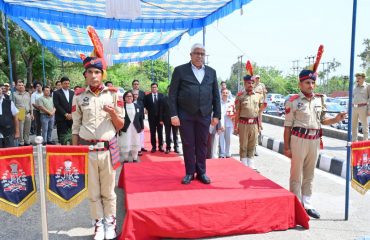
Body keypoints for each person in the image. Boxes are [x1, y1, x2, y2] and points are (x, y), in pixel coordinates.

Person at [284, 54, 347, 219]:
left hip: (314, 140)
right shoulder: (294, 101)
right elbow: (287, 126)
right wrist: (287, 147)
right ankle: (296, 205)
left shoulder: (320, 100)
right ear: (300, 84)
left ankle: (308, 203)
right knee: (296, 174)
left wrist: (336, 119)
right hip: (298, 140)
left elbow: (323, 121)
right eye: (307, 82)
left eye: (313, 82)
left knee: (310, 174)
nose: (311, 85)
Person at [72, 52, 124, 240]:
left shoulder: (113, 94)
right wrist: (75, 153)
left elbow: (120, 125)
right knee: (92, 191)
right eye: (90, 72)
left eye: (97, 72)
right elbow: (76, 127)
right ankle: (98, 223)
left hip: (107, 150)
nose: (94, 76)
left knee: (108, 190)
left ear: (102, 74)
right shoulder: (78, 97)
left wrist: (112, 114)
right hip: (87, 150)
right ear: (84, 74)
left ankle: (110, 222)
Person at [169, 43, 221, 184]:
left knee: (202, 144)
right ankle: (189, 173)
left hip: (204, 114)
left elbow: (216, 95)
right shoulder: (180, 71)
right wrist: (173, 114)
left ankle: (202, 172)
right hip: (185, 114)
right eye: (197, 53)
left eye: (202, 53)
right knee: (188, 144)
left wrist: (217, 115)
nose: (199, 56)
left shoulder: (211, 72)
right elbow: (172, 94)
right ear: (191, 55)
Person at [234, 65, 265, 171]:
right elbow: (237, 112)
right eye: (248, 83)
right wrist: (235, 126)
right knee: (243, 145)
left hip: (254, 124)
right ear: (245, 83)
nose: (251, 85)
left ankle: (250, 164)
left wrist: (260, 124)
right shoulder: (240, 96)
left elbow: (259, 111)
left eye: (252, 83)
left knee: (252, 144)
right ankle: (243, 164)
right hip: (243, 123)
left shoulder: (258, 96)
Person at [119, 90, 144, 163]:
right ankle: (126, 159)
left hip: (135, 128)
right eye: (127, 96)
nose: (129, 97)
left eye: (131, 96)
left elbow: (140, 118)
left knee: (135, 142)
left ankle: (135, 158)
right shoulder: (121, 107)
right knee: (125, 143)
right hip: (125, 128)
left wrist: (141, 127)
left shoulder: (137, 106)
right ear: (124, 98)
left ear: (133, 97)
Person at [53, 77, 74, 145]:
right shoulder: (56, 93)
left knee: (72, 136)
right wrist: (66, 114)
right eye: (65, 83)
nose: (67, 85)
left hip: (71, 118)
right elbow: (57, 105)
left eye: (68, 83)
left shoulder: (72, 92)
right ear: (61, 84)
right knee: (62, 138)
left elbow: (74, 104)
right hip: (61, 118)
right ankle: (63, 152)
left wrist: (71, 114)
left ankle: (72, 151)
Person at [144, 82, 164, 153]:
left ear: (157, 88)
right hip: (151, 118)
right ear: (151, 88)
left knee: (160, 132)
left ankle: (161, 146)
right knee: (152, 132)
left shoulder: (162, 96)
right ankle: (153, 147)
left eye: (155, 87)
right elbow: (145, 105)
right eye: (153, 87)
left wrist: (163, 118)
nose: (154, 88)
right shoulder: (147, 97)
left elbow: (163, 107)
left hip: (160, 118)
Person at [160, 86, 179, 154]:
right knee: (167, 134)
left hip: (175, 119)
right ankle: (168, 148)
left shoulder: (176, 98)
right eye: (169, 89)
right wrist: (161, 119)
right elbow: (161, 110)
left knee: (175, 134)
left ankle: (176, 147)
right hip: (166, 119)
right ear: (167, 90)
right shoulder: (164, 99)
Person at [352, 72, 370, 141]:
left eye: (359, 78)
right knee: (354, 126)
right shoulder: (354, 86)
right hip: (354, 108)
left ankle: (365, 143)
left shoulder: (367, 86)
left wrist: (369, 110)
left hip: (363, 108)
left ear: (363, 78)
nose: (357, 80)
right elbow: (353, 97)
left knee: (365, 127)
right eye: (357, 78)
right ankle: (354, 142)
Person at [13, 80, 32, 146]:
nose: (21, 86)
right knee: (21, 128)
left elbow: (30, 104)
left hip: (27, 112)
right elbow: (13, 106)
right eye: (19, 85)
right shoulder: (14, 94)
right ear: (16, 86)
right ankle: (21, 142)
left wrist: (31, 113)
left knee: (27, 128)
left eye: (22, 85)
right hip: (20, 112)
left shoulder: (27, 93)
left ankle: (27, 141)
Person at [253, 74, 268, 156]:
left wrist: (265, 101)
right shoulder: (252, 85)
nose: (257, 79)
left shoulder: (262, 85)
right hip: (253, 107)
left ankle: (255, 149)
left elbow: (265, 94)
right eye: (256, 78)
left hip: (260, 106)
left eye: (258, 78)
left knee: (258, 128)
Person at [219, 88, 235, 158]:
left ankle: (228, 153)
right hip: (221, 122)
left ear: (228, 94)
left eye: (226, 93)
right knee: (221, 138)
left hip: (229, 122)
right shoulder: (219, 103)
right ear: (221, 94)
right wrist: (221, 124)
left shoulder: (231, 102)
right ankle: (222, 153)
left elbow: (234, 112)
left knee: (228, 139)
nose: (225, 94)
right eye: (223, 93)